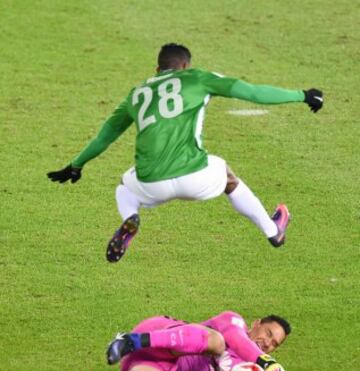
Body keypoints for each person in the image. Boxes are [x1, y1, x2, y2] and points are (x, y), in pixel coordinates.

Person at [47, 43, 323, 262]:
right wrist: (302, 95)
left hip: (151, 183)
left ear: (157, 69)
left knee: (124, 185)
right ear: (185, 65)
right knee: (227, 176)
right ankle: (273, 231)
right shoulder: (198, 78)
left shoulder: (136, 93)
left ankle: (129, 217)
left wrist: (76, 165)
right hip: (195, 176)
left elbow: (105, 136)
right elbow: (252, 92)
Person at [45, 310, 296, 371]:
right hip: (158, 337)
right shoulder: (233, 322)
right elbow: (237, 341)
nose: (267, 342)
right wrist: (268, 363)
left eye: (274, 344)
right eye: (268, 333)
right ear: (256, 323)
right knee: (217, 343)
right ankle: (128, 340)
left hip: (148, 366)